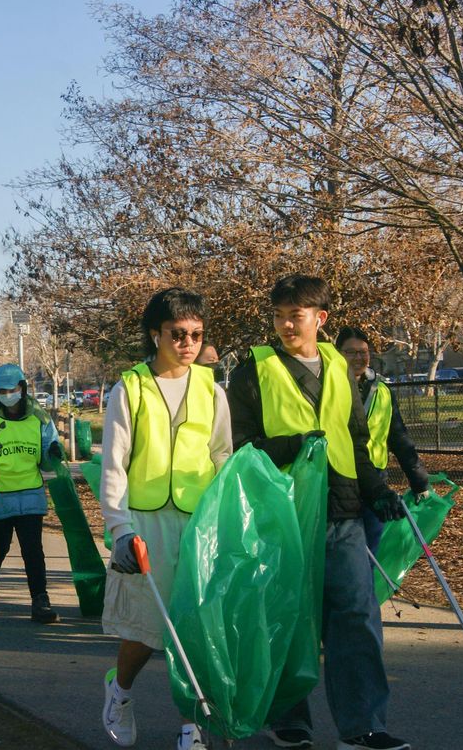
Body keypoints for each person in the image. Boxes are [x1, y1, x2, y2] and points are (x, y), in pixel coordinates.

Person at [227, 275, 409, 750]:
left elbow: (354, 437)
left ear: (319, 319)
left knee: (356, 617)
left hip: (342, 514)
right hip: (281, 517)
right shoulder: (252, 373)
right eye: (280, 314)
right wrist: (294, 445)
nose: (287, 324)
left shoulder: (338, 366)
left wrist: (377, 490)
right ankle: (288, 718)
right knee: (286, 620)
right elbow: (240, 448)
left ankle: (364, 725)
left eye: (297, 314)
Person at [99, 288, 231, 750]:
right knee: (147, 628)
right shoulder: (129, 387)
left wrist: (222, 521)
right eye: (178, 334)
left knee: (193, 628)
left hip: (198, 523)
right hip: (144, 520)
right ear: (156, 334)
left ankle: (191, 725)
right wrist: (120, 529)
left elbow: (221, 456)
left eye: (196, 334)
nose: (189, 342)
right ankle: (121, 691)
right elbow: (114, 462)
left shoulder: (211, 389)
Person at [0, 362, 63, 624]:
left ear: (22, 388)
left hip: (30, 495)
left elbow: (47, 461)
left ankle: (40, 600)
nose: (5, 395)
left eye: (10, 389)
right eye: (0, 391)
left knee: (33, 550)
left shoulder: (40, 419)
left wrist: (53, 454)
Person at [335, 327, 431, 556]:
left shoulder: (383, 391)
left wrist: (419, 480)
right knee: (344, 552)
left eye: (363, 352)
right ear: (338, 354)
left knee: (371, 545)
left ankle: (368, 590)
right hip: (340, 478)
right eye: (351, 352)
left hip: (375, 479)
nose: (359, 358)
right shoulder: (330, 388)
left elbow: (399, 437)